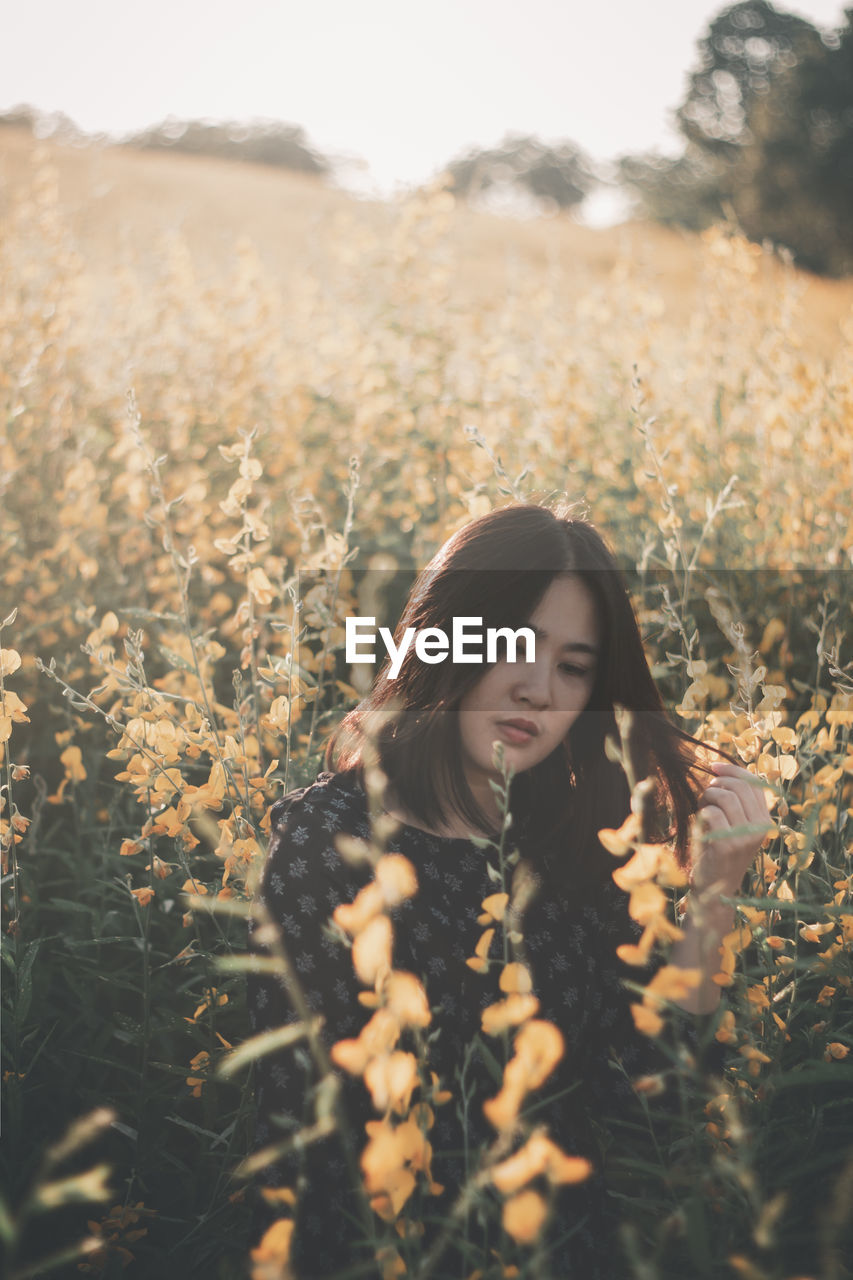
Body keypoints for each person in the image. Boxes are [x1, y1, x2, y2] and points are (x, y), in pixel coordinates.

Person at [246, 503, 771, 1278]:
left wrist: (711, 898)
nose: (537, 689)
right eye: (514, 645)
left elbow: (648, 1110)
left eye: (573, 667)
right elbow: (300, 1134)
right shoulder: (325, 842)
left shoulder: (586, 849)